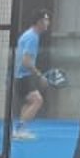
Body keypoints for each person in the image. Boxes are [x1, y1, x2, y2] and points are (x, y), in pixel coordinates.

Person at [12, 10, 52, 140]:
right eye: (46, 20)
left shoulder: (31, 35)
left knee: (29, 102)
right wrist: (40, 76)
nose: (48, 23)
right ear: (39, 22)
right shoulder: (32, 37)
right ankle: (19, 130)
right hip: (22, 76)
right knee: (37, 100)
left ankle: (20, 130)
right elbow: (26, 61)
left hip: (22, 76)